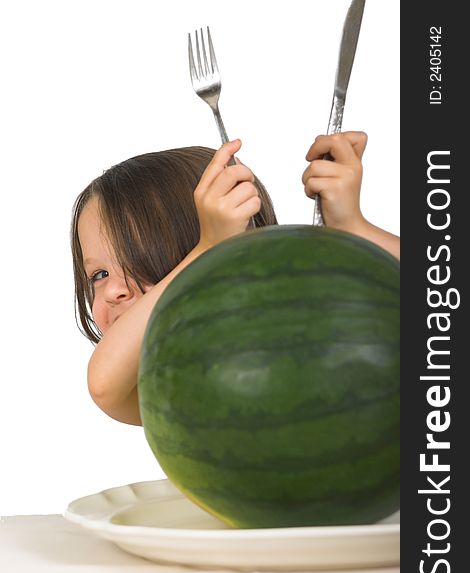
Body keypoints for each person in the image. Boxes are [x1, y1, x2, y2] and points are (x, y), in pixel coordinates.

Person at [71, 133, 400, 426]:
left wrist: (353, 229)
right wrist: (207, 249)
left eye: (140, 259)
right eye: (99, 275)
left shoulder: (305, 328)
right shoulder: (168, 385)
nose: (113, 290)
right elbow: (104, 383)